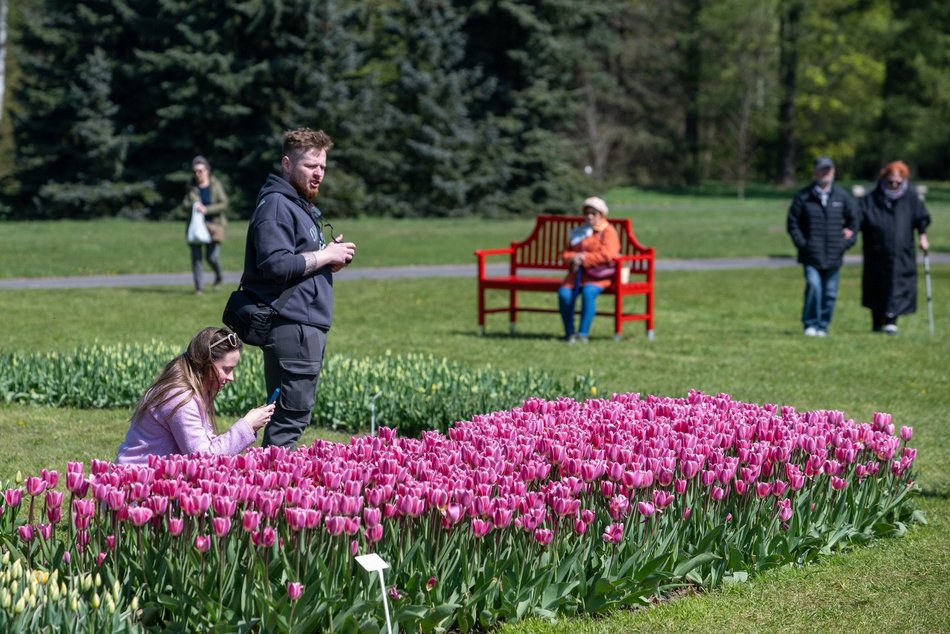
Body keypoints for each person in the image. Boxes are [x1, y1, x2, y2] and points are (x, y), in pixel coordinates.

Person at [240, 128, 356, 448]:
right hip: (294, 326)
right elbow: (275, 264)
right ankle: (272, 493)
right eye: (310, 166)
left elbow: (295, 260)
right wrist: (324, 255)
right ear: (287, 164)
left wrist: (330, 260)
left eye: (322, 167)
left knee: (287, 414)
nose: (318, 174)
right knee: (291, 417)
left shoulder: (297, 204)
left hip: (301, 325)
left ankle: (269, 489)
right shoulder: (277, 205)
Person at [115, 327, 274, 465]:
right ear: (206, 364)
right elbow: (203, 459)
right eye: (226, 369)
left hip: (155, 481)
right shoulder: (180, 398)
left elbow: (205, 448)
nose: (231, 377)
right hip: (137, 485)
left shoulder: (195, 388)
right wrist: (246, 426)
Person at [786, 156, 859, 336]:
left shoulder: (842, 197)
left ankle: (823, 325)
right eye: (822, 170)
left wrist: (846, 241)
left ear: (833, 172)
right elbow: (792, 222)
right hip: (811, 254)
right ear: (815, 172)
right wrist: (803, 244)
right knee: (814, 287)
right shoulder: (804, 196)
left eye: (829, 170)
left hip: (835, 254)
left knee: (830, 293)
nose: (825, 173)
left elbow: (855, 221)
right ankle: (810, 323)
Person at [858, 160, 931, 335]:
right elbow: (858, 219)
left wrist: (922, 236)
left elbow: (921, 218)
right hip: (876, 250)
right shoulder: (871, 199)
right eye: (891, 181)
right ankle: (877, 321)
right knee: (876, 285)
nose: (894, 184)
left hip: (901, 251)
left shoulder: (911, 198)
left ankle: (891, 320)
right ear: (884, 179)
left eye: (899, 181)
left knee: (898, 284)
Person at [558, 196, 620, 343]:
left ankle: (583, 333)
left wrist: (585, 258)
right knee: (564, 294)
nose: (589, 216)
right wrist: (573, 258)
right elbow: (566, 253)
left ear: (601, 214)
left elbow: (607, 254)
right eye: (587, 213)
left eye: (594, 213)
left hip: (599, 275)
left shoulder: (607, 231)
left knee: (588, 293)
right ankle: (569, 332)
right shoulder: (579, 232)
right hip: (576, 276)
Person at [184, 156, 229, 294]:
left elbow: (224, 203)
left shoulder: (215, 185)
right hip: (196, 227)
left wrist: (207, 209)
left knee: (212, 257)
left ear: (207, 171)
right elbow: (184, 205)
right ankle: (199, 288)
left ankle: (219, 276)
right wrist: (193, 205)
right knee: (196, 258)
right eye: (195, 171)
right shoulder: (191, 187)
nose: (197, 174)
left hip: (213, 226)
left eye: (200, 171)